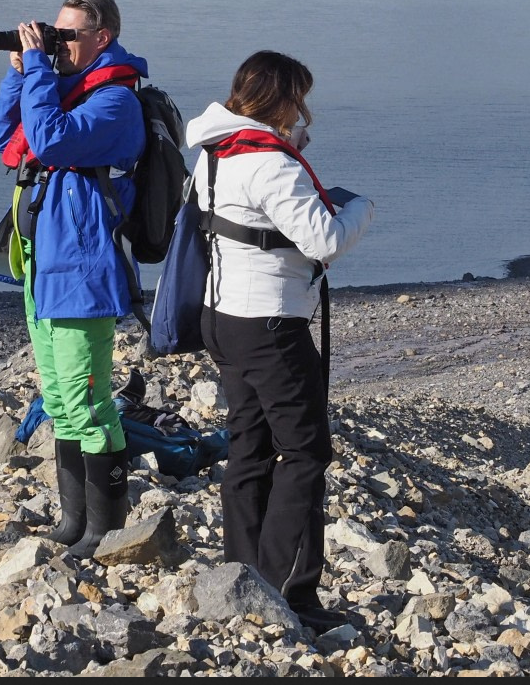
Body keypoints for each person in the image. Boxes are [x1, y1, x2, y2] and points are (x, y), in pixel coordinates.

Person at [185, 51, 373, 632]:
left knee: (250, 447)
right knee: (306, 451)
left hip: (222, 317)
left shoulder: (214, 151)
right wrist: (360, 209)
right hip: (270, 322)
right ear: (282, 100)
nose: (306, 111)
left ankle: (244, 573)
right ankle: (289, 592)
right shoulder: (270, 163)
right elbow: (323, 241)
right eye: (301, 99)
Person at [0, 0, 147, 559]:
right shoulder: (64, 90)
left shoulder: (114, 103)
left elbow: (52, 139)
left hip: (83, 269)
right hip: (45, 267)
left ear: (102, 37)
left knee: (89, 403)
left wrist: (37, 67)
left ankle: (105, 530)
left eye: (68, 35)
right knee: (58, 399)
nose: (57, 44)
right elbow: (7, 143)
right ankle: (73, 521)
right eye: (52, 34)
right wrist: (19, 74)